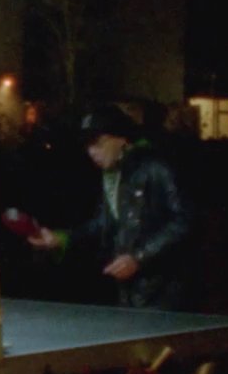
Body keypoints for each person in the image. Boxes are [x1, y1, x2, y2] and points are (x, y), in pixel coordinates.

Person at [27, 103, 194, 309]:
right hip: (132, 289)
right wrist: (62, 238)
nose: (92, 152)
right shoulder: (113, 174)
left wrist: (139, 257)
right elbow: (103, 223)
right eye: (88, 145)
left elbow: (184, 221)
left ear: (121, 138)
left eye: (99, 143)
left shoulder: (155, 166)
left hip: (164, 289)